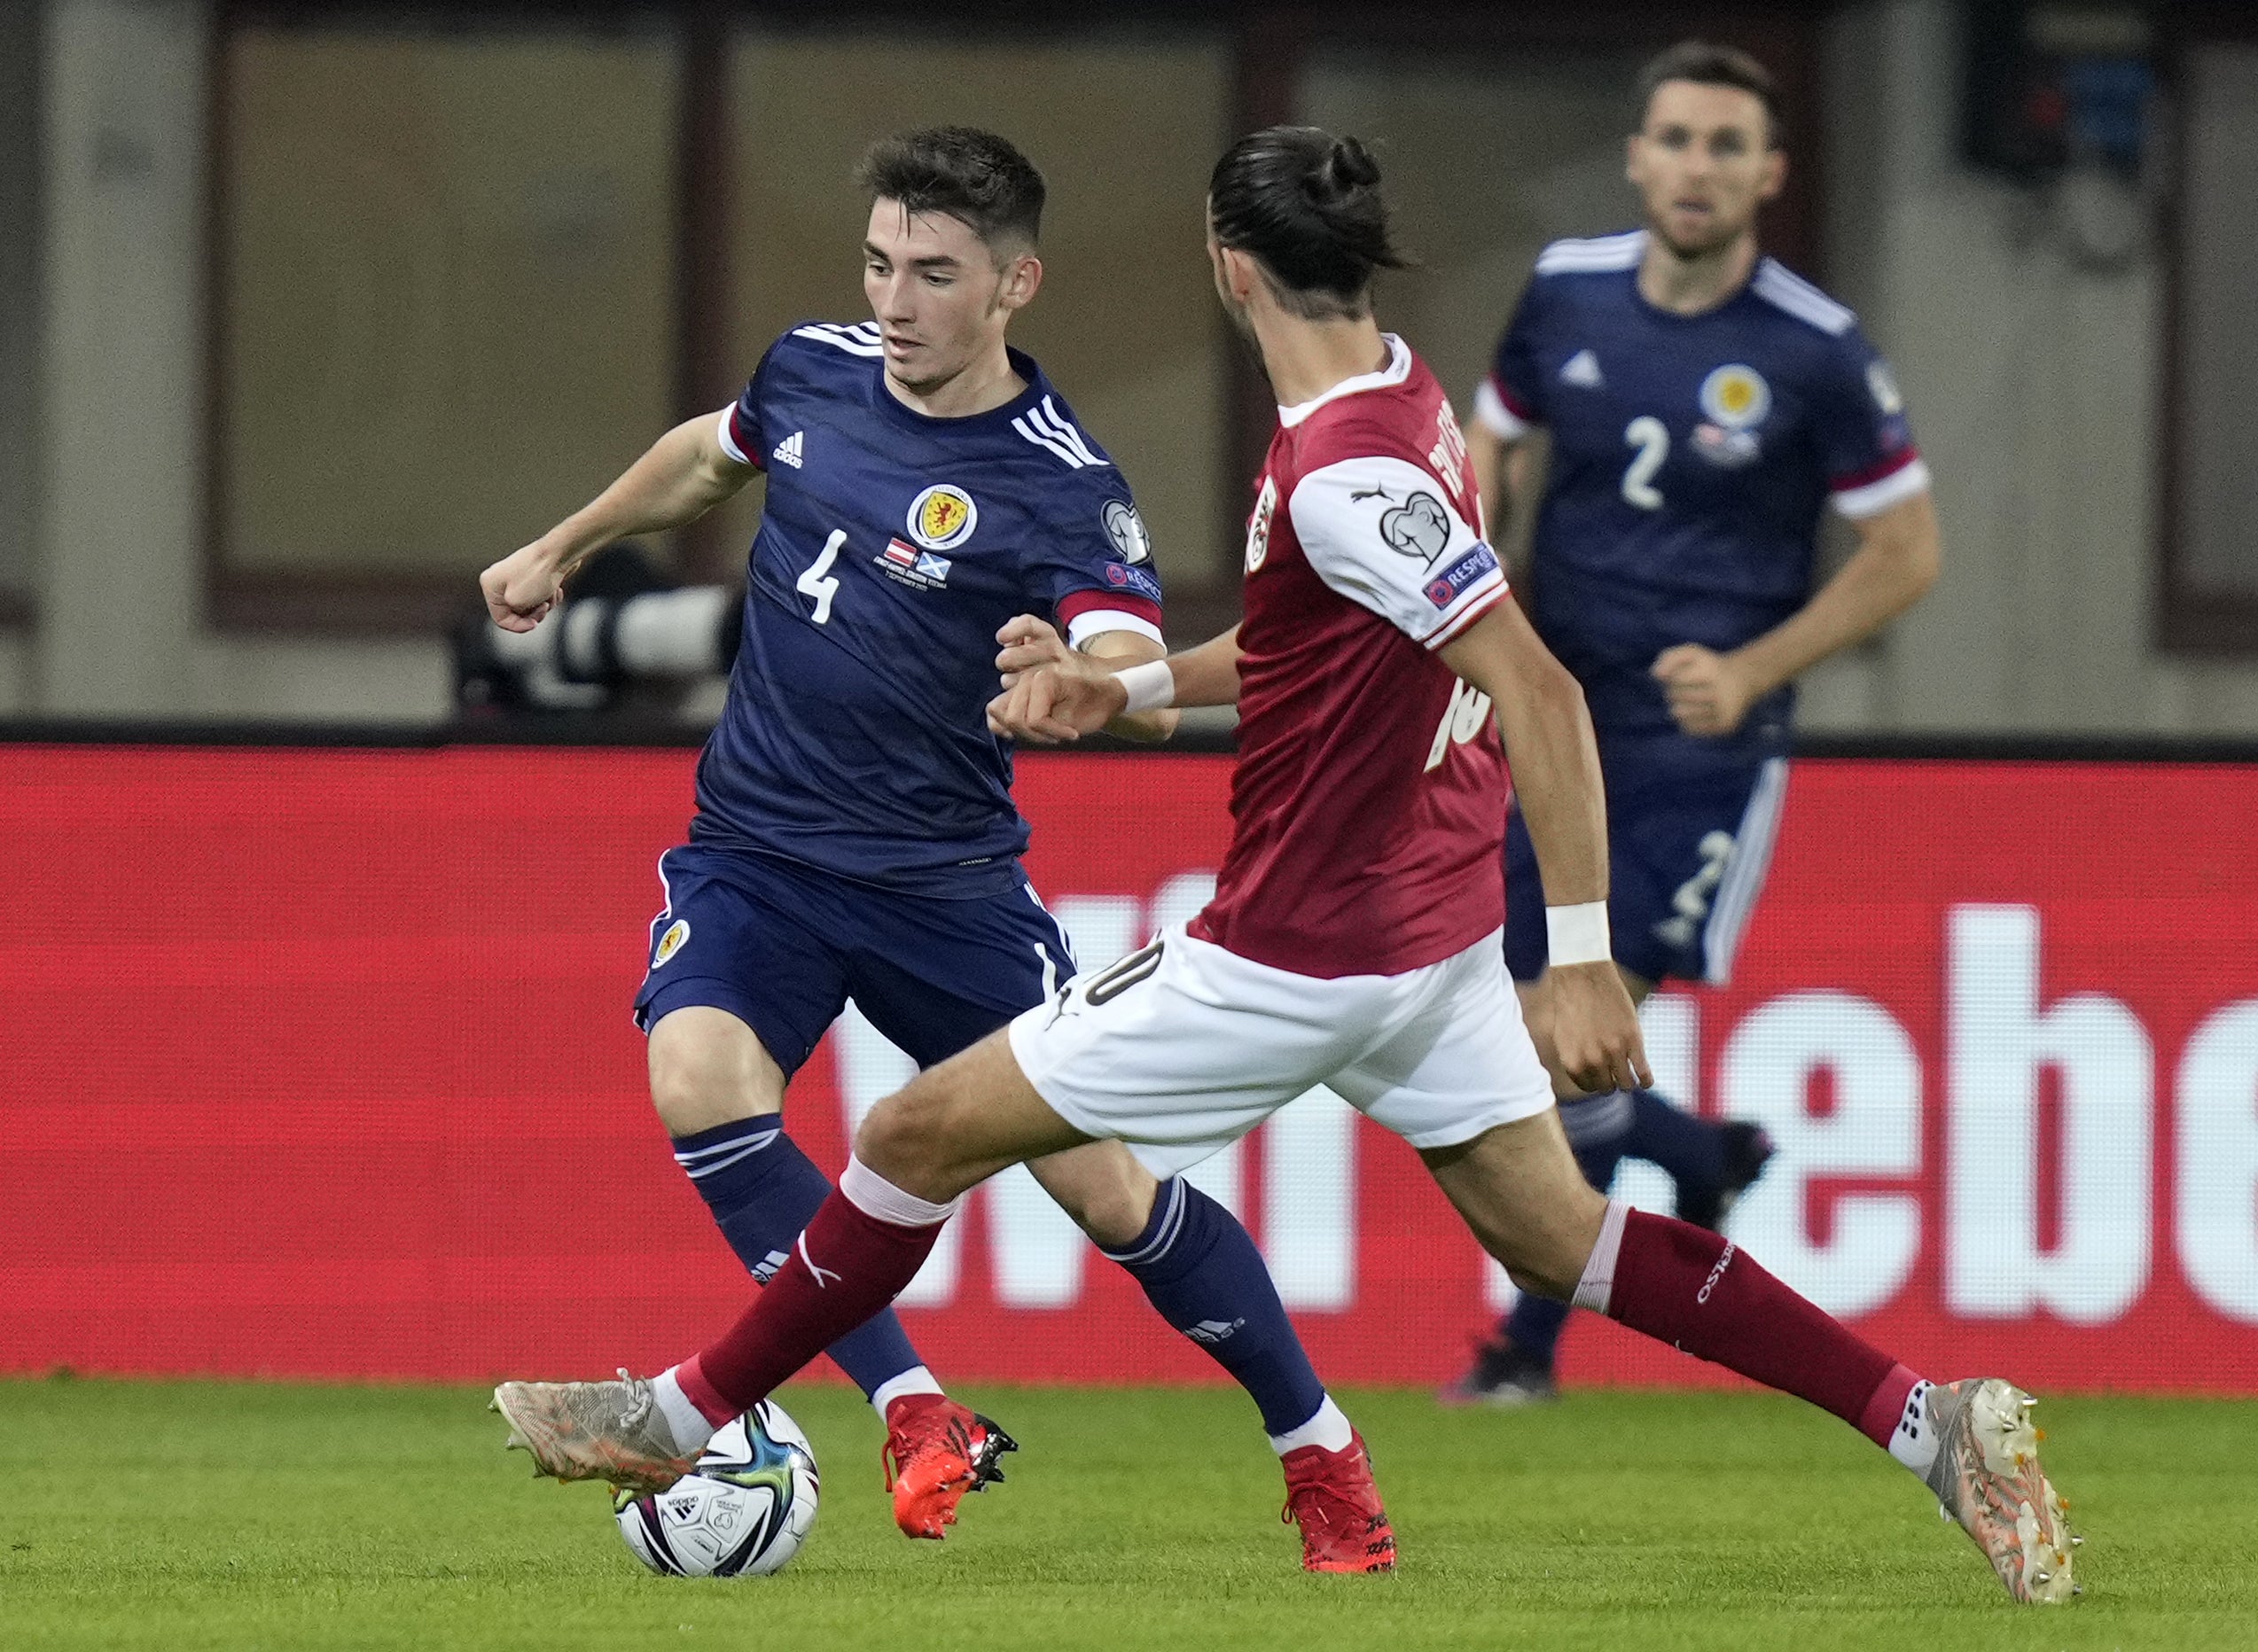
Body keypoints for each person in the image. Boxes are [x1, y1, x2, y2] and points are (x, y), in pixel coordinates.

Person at [489, 125, 2074, 1607]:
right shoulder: (1391, 398)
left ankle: (679, 1404)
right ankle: (1925, 1424)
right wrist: (1120, 691)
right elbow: (1313, 650)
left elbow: (1538, 688)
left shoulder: (1339, 475)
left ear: (1223, 262)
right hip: (1429, 941)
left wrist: (1581, 951)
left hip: (1297, 953)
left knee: (913, 1130)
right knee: (1563, 1241)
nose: (893, 298)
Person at [478, 127, 1374, 1562]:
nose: (897, 301)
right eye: (882, 264)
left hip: (942, 889)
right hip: (758, 853)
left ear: (1015, 285)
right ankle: (911, 1404)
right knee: (696, 1075)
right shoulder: (813, 367)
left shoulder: (1057, 479)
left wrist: (1085, 680)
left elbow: (1128, 648)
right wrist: (561, 546)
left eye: (936, 274)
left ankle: (1317, 1449)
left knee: (1105, 1189)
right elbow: (707, 463)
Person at [1443, 41, 1944, 1407]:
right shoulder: (1563, 293)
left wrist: (1753, 667)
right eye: (1676, 138)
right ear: (1636, 154)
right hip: (1556, 712)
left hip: (1693, 747)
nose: (1697, 167)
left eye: (1727, 146)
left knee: (1579, 1024)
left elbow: (1905, 550)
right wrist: (1471, 597)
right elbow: (1493, 444)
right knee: (1504, 1018)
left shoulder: (1816, 350)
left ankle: (1521, 1354)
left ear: (1767, 176)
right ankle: (1693, 1154)